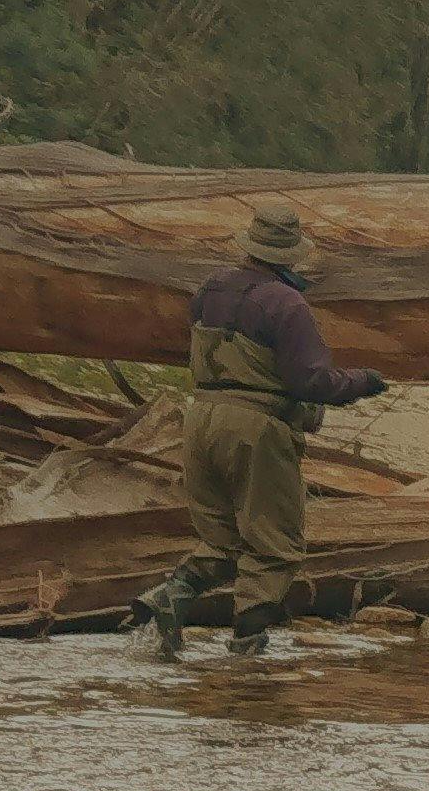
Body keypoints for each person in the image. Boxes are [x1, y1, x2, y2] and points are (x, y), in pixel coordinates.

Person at [131, 206, 386, 657]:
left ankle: (171, 597)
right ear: (290, 256)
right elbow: (311, 381)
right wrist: (364, 382)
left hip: (201, 420)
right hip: (256, 430)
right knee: (274, 548)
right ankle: (247, 655)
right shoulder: (286, 303)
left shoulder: (209, 290)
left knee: (223, 541)